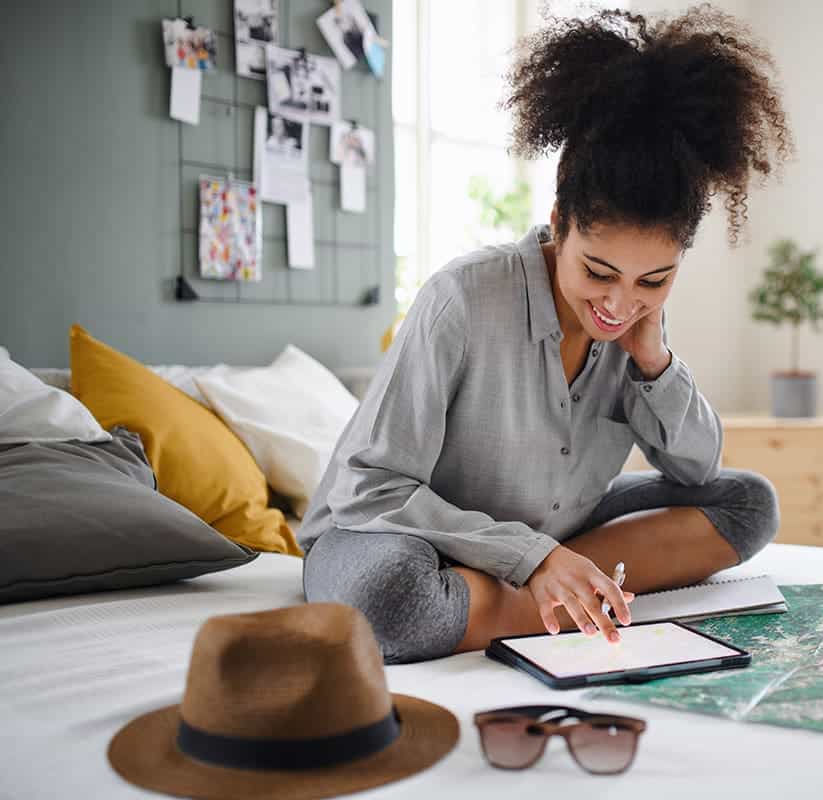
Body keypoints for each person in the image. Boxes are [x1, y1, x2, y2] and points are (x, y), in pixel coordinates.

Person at [300, 6, 793, 664]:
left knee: (748, 502)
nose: (620, 303)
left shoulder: (635, 322)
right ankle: (549, 595)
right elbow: (370, 489)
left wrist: (653, 360)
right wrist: (533, 557)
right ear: (559, 223)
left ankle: (523, 592)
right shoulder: (464, 298)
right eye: (599, 271)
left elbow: (697, 470)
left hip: (551, 524)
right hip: (400, 534)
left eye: (655, 280)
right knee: (393, 601)